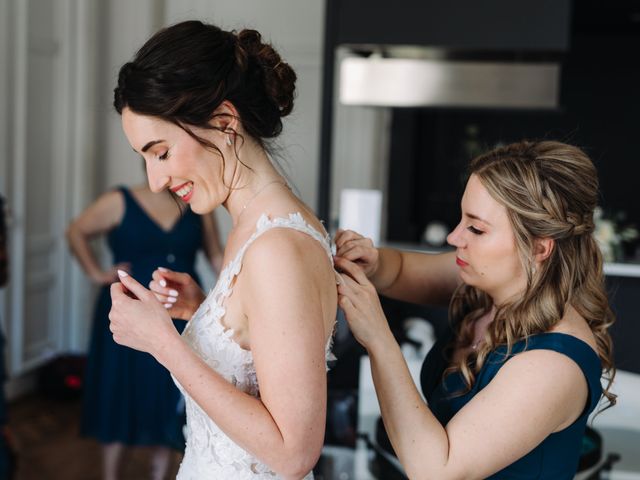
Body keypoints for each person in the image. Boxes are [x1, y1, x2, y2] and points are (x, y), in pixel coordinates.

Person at [107, 20, 338, 479]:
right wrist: (206, 312)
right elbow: (258, 354)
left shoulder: (277, 248)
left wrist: (163, 344)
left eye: (161, 152)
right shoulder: (254, 225)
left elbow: (293, 454)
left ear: (225, 123)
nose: (156, 182)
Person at [335, 140, 616, 479]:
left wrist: (379, 340)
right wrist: (372, 262)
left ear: (539, 248)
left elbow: (435, 470)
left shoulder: (553, 365)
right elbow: (396, 271)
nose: (454, 237)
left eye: (476, 228)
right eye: (461, 219)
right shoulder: (488, 280)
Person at [66, 183, 223, 480]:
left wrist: (235, 293)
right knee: (119, 393)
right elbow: (76, 231)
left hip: (179, 316)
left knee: (167, 396)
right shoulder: (119, 200)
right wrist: (96, 273)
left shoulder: (197, 204)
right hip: (128, 312)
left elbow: (215, 254)